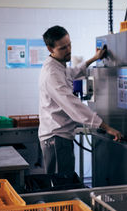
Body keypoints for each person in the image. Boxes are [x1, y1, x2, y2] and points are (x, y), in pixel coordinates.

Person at [39, 25, 122, 175]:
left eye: (69, 45)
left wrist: (94, 59)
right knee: (60, 186)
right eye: (63, 48)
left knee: (65, 181)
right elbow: (72, 105)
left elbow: (73, 73)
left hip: (61, 135)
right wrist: (105, 126)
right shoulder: (52, 73)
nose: (69, 50)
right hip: (56, 138)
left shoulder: (59, 66)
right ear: (50, 49)